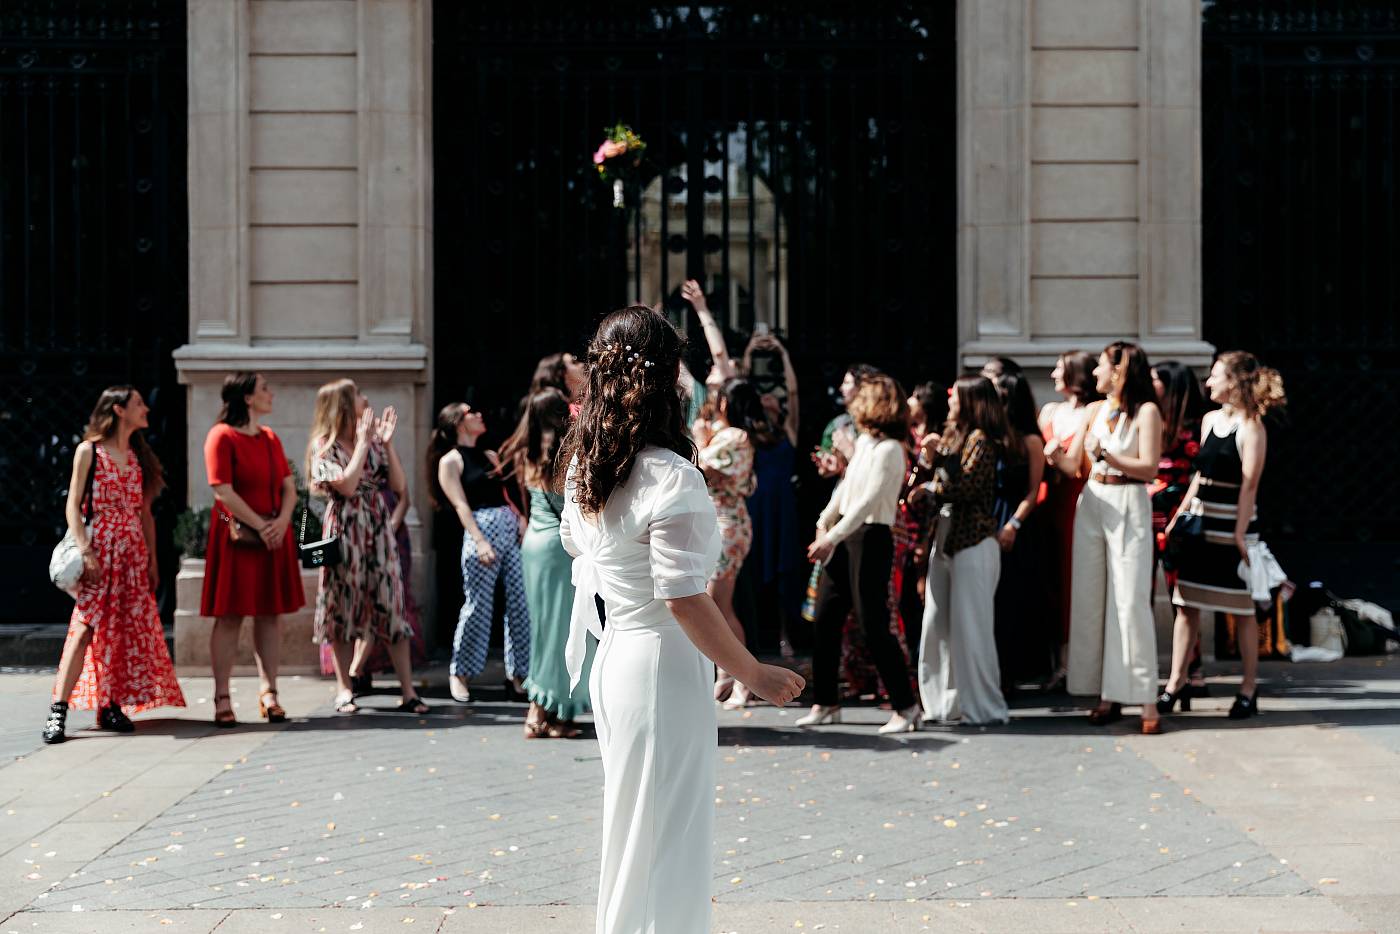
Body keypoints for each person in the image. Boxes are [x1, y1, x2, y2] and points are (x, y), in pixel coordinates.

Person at [558, 304, 804, 934]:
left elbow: (578, 547)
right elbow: (684, 597)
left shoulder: (589, 465)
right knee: (671, 829)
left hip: (616, 656)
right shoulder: (670, 475)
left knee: (635, 821)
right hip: (662, 663)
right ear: (670, 381)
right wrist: (752, 671)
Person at [43, 387, 185, 744]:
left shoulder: (138, 455)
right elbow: (73, 506)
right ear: (119, 410)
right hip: (100, 550)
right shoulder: (88, 451)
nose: (146, 409)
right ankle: (58, 711)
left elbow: (145, 513)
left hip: (132, 553)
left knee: (121, 630)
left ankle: (110, 704)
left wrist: (152, 558)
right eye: (139, 404)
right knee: (85, 627)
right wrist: (87, 549)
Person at [1160, 352, 1286, 720]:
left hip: (1233, 523)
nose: (1209, 383)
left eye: (1215, 376)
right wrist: (1182, 512)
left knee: (1242, 609)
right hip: (1202, 521)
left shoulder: (1252, 428)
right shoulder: (1210, 420)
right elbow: (1199, 475)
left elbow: (1249, 485)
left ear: (1234, 381)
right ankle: (1175, 683)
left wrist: (1239, 532)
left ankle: (1248, 689)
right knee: (1186, 605)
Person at [799, 374, 921, 734]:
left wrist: (831, 537)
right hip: (845, 534)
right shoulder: (867, 443)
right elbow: (847, 487)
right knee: (826, 616)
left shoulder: (891, 449)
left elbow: (867, 500)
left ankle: (906, 706)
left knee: (873, 625)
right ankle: (825, 701)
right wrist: (824, 521)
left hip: (871, 537)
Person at [1055, 342, 1163, 734]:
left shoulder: (1146, 412)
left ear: (1120, 370)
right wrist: (1056, 457)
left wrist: (1110, 456)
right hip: (1093, 500)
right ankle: (1107, 692)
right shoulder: (1094, 410)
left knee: (1129, 600)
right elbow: (1075, 466)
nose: (1095, 374)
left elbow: (1149, 468)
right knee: (1092, 596)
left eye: (1101, 366)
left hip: (1128, 499)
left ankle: (1147, 698)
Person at [307, 379, 428, 715]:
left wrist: (386, 445)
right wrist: (361, 445)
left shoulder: (374, 442)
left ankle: (408, 691)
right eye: (358, 395)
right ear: (344, 405)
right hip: (345, 531)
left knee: (392, 606)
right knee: (341, 609)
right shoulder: (324, 446)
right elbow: (345, 486)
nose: (366, 399)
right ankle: (345, 688)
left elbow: (400, 486)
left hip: (377, 530)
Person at [201, 373, 304, 726]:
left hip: (272, 536)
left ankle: (269, 691)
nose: (271, 394)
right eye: (265, 389)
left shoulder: (270, 438)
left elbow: (290, 488)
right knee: (229, 616)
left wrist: (282, 522)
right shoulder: (221, 436)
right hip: (239, 539)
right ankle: (222, 696)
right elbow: (222, 490)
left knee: (270, 614)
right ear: (247, 398)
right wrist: (261, 526)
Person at [917, 376, 1010, 725]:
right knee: (936, 626)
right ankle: (943, 703)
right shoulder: (955, 437)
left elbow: (966, 486)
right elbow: (944, 482)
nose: (950, 399)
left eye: (957, 395)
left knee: (971, 628)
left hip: (974, 542)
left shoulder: (982, 441)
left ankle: (983, 706)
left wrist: (937, 461)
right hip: (946, 540)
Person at [499, 388, 590, 738]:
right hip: (558, 547)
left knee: (542, 629)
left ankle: (546, 711)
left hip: (533, 546)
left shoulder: (527, 451)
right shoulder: (567, 454)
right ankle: (547, 711)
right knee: (562, 631)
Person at [427, 401, 530, 704]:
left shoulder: (490, 455)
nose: (479, 414)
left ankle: (518, 675)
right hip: (480, 531)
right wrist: (479, 540)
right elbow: (460, 504)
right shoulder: (450, 460)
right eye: (472, 412)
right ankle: (460, 673)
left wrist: (521, 518)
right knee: (478, 607)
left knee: (520, 604)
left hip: (508, 527)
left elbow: (506, 493)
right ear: (458, 422)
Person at [695, 378, 767, 707]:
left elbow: (704, 467)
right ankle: (727, 673)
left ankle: (742, 676)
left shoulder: (734, 436)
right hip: (716, 522)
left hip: (727, 523)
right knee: (719, 603)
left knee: (718, 603)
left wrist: (699, 439)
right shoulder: (728, 435)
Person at [1037, 350, 1100, 689]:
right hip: (1049, 503)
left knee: (1073, 578)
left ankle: (1071, 661)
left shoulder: (1091, 413)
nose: (1052, 375)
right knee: (1050, 581)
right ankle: (1052, 659)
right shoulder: (1049, 412)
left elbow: (1077, 466)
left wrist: (1058, 457)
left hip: (1076, 503)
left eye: (1060, 368)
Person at [983, 366, 1048, 689]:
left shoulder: (1030, 439)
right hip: (989, 517)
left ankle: (1012, 673)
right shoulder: (991, 435)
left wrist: (1013, 524)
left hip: (1016, 520)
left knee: (1012, 596)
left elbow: (1034, 491)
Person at [742, 333, 803, 657]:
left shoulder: (787, 431)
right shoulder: (750, 433)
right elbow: (745, 388)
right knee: (753, 570)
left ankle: (785, 636)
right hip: (756, 505)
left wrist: (781, 352)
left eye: (775, 400)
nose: (770, 399)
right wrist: (751, 352)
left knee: (783, 571)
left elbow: (792, 391)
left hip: (782, 506)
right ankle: (756, 636)